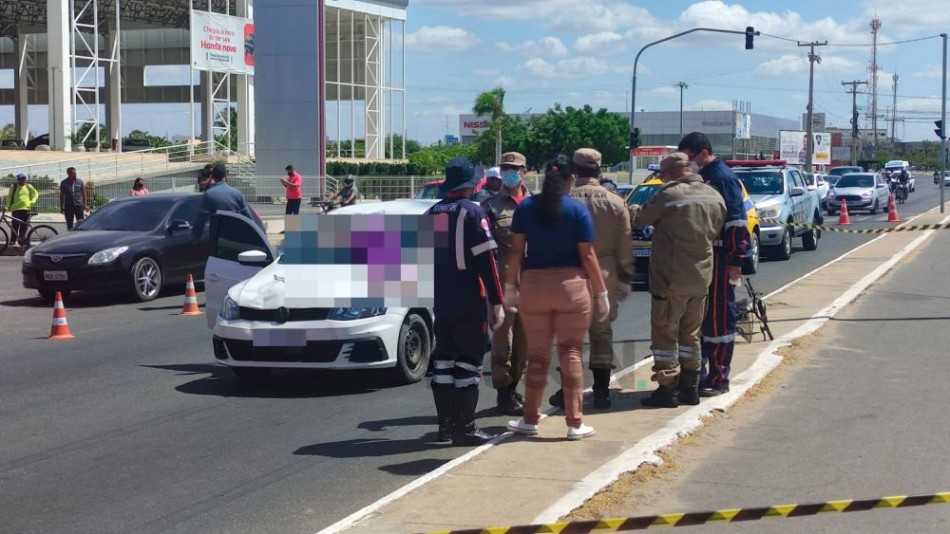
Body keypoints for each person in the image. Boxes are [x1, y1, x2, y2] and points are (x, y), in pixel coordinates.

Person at [505, 154, 609, 441]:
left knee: (538, 354)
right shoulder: (577, 210)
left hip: (534, 287)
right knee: (571, 352)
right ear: (570, 179)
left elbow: (516, 252)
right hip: (571, 288)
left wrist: (510, 288)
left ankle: (529, 418)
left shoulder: (526, 207)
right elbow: (588, 255)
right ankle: (575, 423)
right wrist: (601, 292)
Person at [630, 153, 726, 407]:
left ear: (671, 173)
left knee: (665, 335)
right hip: (701, 277)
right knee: (691, 335)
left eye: (663, 176)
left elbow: (641, 219)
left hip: (671, 277)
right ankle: (691, 388)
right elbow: (716, 230)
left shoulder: (669, 195)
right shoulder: (714, 195)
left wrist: (633, 210)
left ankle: (667, 389)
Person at [427, 157, 505, 446]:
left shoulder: (432, 212)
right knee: (469, 362)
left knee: (444, 360)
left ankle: (445, 427)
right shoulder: (474, 212)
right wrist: (497, 302)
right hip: (470, 295)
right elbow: (488, 262)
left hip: (440, 297)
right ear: (470, 185)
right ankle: (466, 427)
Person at [548, 148, 632, 410]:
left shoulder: (560, 200)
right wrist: (624, 280)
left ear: (572, 171)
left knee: (568, 336)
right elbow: (625, 247)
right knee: (602, 333)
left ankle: (567, 391)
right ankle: (602, 391)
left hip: (568, 272)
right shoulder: (616, 202)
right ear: (600, 170)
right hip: (604, 274)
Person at [677, 132, 750, 397]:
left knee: (719, 320)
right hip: (702, 257)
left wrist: (735, 261)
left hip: (721, 258)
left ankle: (719, 378)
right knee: (701, 319)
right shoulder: (704, 177)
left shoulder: (722, 178)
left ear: (703, 153)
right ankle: (702, 374)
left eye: (689, 158)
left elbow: (737, 222)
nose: (688, 163)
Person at [481, 153, 530, 416]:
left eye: (515, 169)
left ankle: (514, 386)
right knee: (503, 342)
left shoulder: (536, 204)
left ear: (525, 172)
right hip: (504, 285)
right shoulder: (490, 207)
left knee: (525, 343)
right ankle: (504, 393)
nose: (510, 172)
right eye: (505, 168)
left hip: (532, 285)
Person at [192, 164, 259, 243]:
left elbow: (200, 219)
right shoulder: (237, 193)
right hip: (235, 236)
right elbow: (248, 218)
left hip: (217, 237)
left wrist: (196, 237)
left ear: (213, 177)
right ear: (226, 176)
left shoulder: (208, 195)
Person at [4, 173, 39, 246]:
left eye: (24, 178)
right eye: (21, 178)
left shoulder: (28, 186)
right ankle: (13, 240)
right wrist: (7, 206)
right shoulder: (14, 186)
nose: (23, 180)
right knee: (15, 224)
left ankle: (21, 240)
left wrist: (32, 201)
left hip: (26, 208)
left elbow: (36, 193)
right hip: (16, 208)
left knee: (23, 225)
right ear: (18, 179)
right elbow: (9, 197)